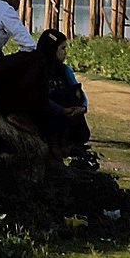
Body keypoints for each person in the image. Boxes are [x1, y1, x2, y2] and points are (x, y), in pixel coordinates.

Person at [35, 29, 96, 167]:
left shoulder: (64, 70)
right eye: (62, 48)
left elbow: (78, 92)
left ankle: (65, 141)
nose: (65, 52)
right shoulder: (39, 69)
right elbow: (40, 97)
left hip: (67, 115)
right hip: (48, 115)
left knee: (69, 94)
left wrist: (83, 107)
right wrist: (60, 110)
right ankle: (54, 141)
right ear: (52, 49)